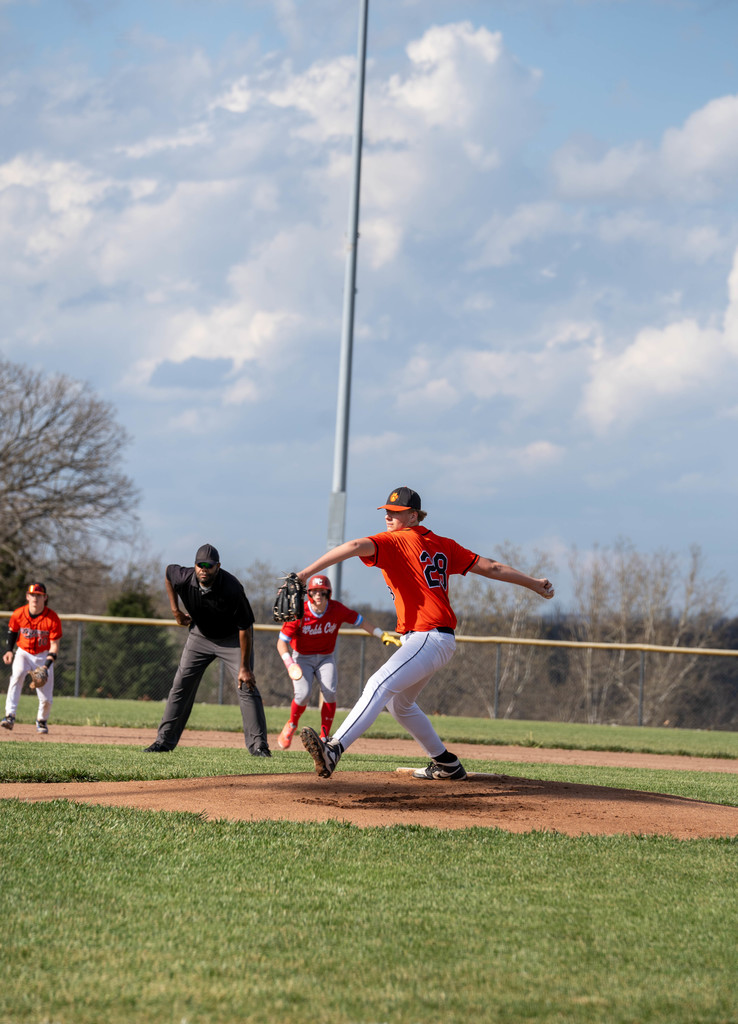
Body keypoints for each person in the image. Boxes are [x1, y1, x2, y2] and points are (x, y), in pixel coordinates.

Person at [295, 487, 554, 781]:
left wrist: (304, 574)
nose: (388, 517)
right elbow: (491, 567)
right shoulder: (442, 544)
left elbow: (355, 545)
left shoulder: (396, 540)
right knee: (399, 704)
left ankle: (334, 749)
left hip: (428, 636)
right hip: (433, 639)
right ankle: (446, 763)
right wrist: (533, 583)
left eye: (395, 512)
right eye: (386, 512)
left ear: (413, 515)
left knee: (379, 683)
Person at [144, 544, 271, 756]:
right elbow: (168, 573)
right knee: (180, 685)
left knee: (246, 687)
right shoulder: (184, 577)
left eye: (209, 565)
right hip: (200, 636)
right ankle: (163, 742)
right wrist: (175, 611)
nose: (204, 569)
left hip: (232, 639)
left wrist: (244, 667)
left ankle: (259, 746)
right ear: (194, 566)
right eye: (200, 565)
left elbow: (245, 628)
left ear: (217, 567)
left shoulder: (232, 588)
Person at [276, 573, 399, 750]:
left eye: (322, 592)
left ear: (329, 594)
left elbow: (361, 621)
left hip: (326, 657)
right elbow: (281, 642)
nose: (318, 595)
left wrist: (381, 634)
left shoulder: (337, 609)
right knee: (302, 695)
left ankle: (324, 735)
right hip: (302, 657)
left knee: (330, 692)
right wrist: (289, 663)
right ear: (309, 594)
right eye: (315, 591)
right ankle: (292, 724)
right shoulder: (300, 612)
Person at [2, 582, 62, 734]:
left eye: (39, 595)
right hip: (24, 652)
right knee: (17, 675)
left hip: (43, 655)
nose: (35, 598)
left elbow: (54, 646)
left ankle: (41, 720)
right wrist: (9, 650)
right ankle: (10, 716)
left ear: (45, 597)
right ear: (27, 597)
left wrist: (46, 666)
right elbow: (13, 631)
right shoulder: (19, 613)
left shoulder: (52, 618)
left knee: (46, 697)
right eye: (32, 595)